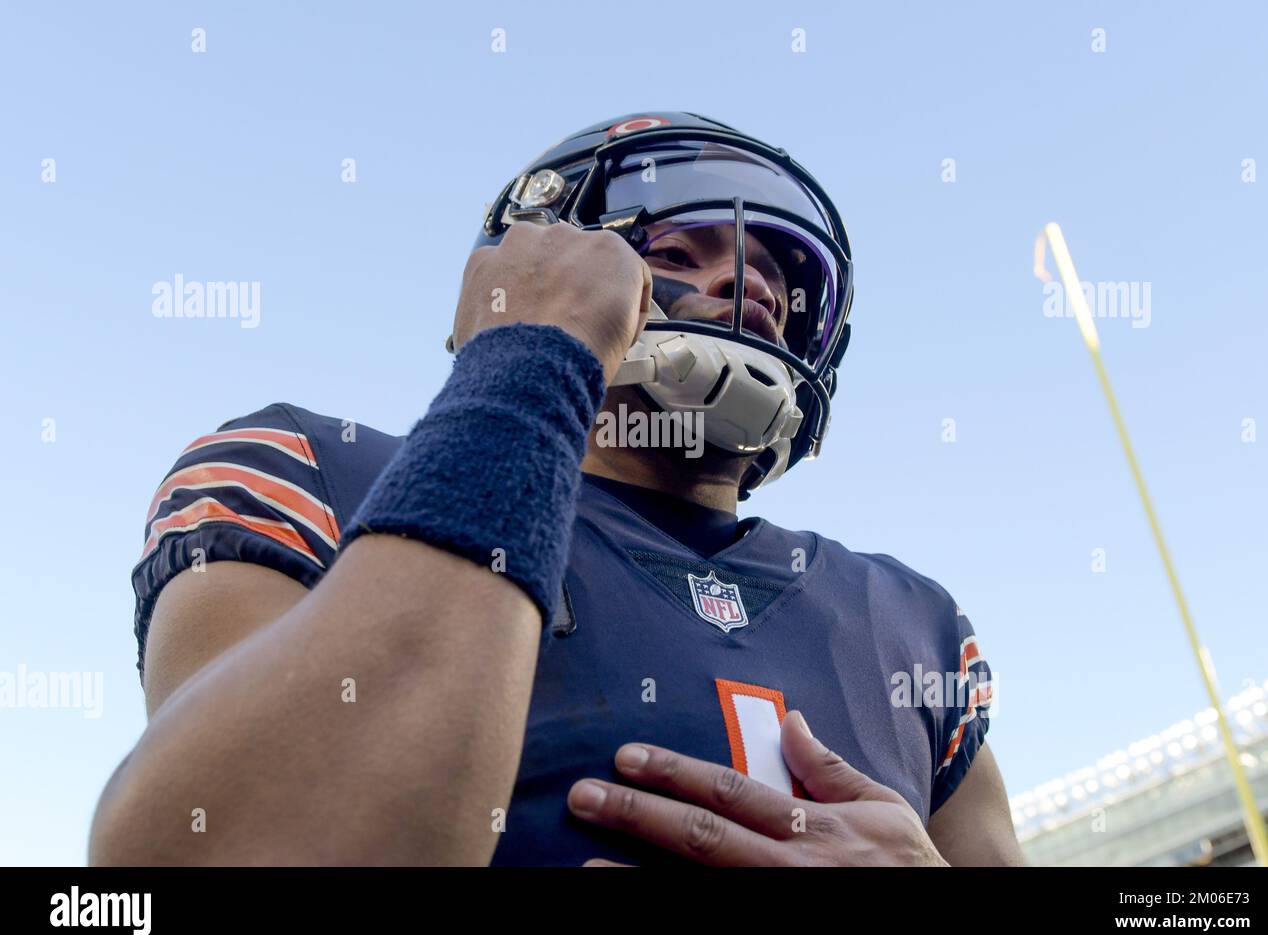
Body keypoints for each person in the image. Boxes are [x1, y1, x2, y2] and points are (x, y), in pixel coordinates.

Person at [90, 112, 1024, 866]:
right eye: (680, 249)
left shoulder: (913, 620)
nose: (752, 284)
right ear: (549, 260)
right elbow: (216, 854)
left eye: (782, 273)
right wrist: (531, 362)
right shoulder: (313, 469)